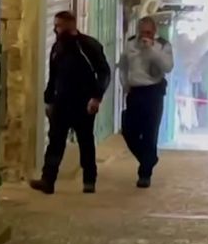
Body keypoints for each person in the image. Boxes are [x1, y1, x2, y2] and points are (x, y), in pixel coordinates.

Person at [30, 10, 111, 195]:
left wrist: (96, 97)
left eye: (59, 26)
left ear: (70, 25)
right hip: (61, 103)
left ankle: (89, 180)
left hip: (84, 103)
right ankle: (47, 180)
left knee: (85, 141)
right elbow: (53, 77)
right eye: (55, 25)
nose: (55, 29)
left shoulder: (88, 46)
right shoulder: (57, 48)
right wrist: (48, 100)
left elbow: (104, 73)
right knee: (55, 142)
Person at [119, 16, 175, 188]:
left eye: (149, 32)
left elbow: (167, 67)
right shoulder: (130, 44)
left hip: (153, 92)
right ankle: (149, 159)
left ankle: (144, 174)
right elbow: (123, 65)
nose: (145, 35)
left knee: (150, 133)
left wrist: (151, 50)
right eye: (142, 32)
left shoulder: (163, 45)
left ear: (154, 32)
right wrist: (125, 84)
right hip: (135, 92)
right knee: (129, 130)